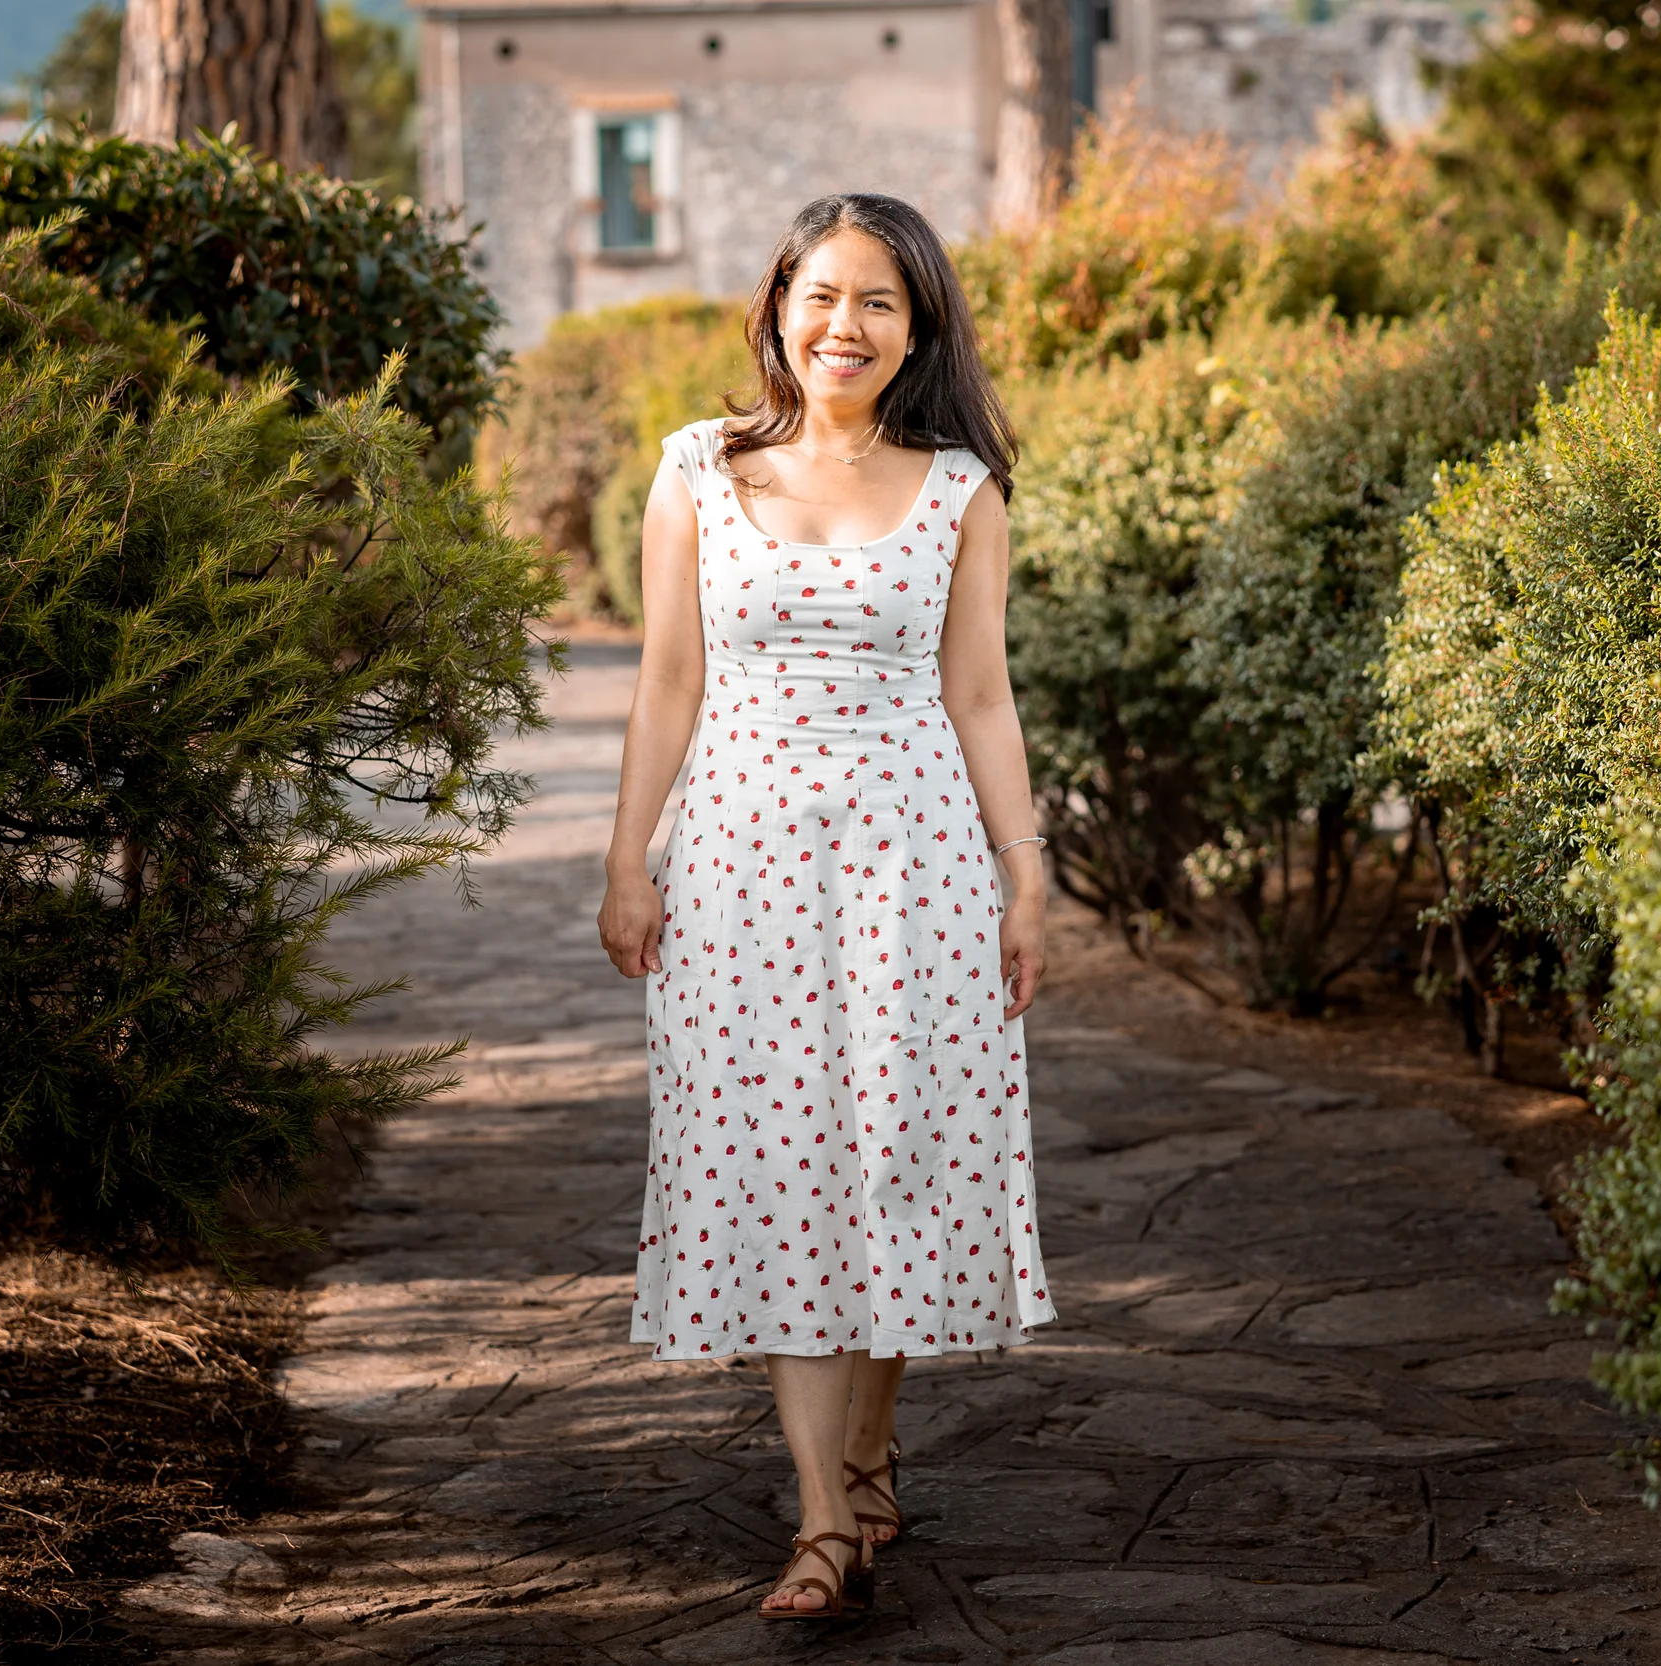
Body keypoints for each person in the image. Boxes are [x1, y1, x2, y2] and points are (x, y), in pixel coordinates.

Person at [596, 193, 1056, 1621]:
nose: (840, 326)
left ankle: (864, 1449)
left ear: (915, 330)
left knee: (897, 1158)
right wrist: (628, 859)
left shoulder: (960, 486)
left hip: (913, 870)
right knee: (781, 1168)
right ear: (776, 304)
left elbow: (977, 694)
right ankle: (817, 1522)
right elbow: (668, 681)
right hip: (740, 873)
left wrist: (1024, 870)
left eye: (876, 304)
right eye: (819, 295)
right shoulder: (697, 466)